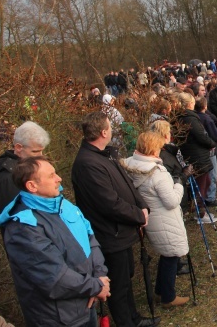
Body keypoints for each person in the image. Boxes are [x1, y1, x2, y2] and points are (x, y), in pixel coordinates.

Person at [0, 156, 110, 327]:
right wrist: (96, 286)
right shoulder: (23, 227)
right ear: (32, 186)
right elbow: (54, 277)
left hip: (87, 304)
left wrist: (100, 275)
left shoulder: (64, 206)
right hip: (59, 318)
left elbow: (90, 240)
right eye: (51, 175)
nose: (59, 178)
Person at [71, 112, 158, 327]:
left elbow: (127, 185)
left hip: (122, 231)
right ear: (103, 132)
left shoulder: (104, 155)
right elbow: (108, 202)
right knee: (118, 286)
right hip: (110, 234)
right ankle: (127, 323)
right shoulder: (87, 163)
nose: (112, 130)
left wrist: (142, 207)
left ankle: (134, 319)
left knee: (126, 280)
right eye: (110, 127)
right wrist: (138, 215)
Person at [122, 132, 190, 308]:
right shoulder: (157, 173)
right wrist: (179, 184)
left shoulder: (130, 165)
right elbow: (171, 201)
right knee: (172, 254)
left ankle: (161, 290)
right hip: (165, 219)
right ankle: (168, 296)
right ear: (153, 149)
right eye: (159, 147)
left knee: (167, 253)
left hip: (153, 217)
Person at [0, 121, 50, 217]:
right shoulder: (7, 178)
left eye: (41, 151)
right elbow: (13, 218)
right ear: (19, 147)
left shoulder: (25, 169)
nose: (40, 156)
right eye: (35, 151)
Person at [176, 92, 217, 222]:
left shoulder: (180, 117)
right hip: (197, 155)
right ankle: (200, 213)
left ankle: (198, 209)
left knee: (205, 182)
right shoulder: (190, 118)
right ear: (190, 103)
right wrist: (211, 143)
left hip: (191, 153)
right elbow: (201, 135)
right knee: (201, 184)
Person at [195, 96, 217, 206]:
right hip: (209, 149)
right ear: (205, 106)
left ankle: (204, 196)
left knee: (203, 176)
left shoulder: (195, 118)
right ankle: (210, 197)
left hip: (199, 151)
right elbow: (216, 135)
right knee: (212, 174)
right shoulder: (206, 119)